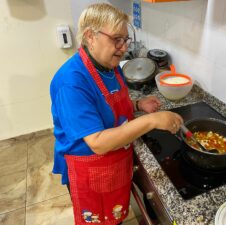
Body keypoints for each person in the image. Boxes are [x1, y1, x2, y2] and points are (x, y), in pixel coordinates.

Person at [50, 3, 183, 225]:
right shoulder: (71, 82)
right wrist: (151, 121)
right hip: (89, 169)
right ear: (90, 36)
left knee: (114, 218)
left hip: (113, 164)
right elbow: (98, 142)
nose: (122, 48)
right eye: (116, 39)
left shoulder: (109, 66)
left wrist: (138, 105)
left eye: (125, 40)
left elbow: (109, 104)